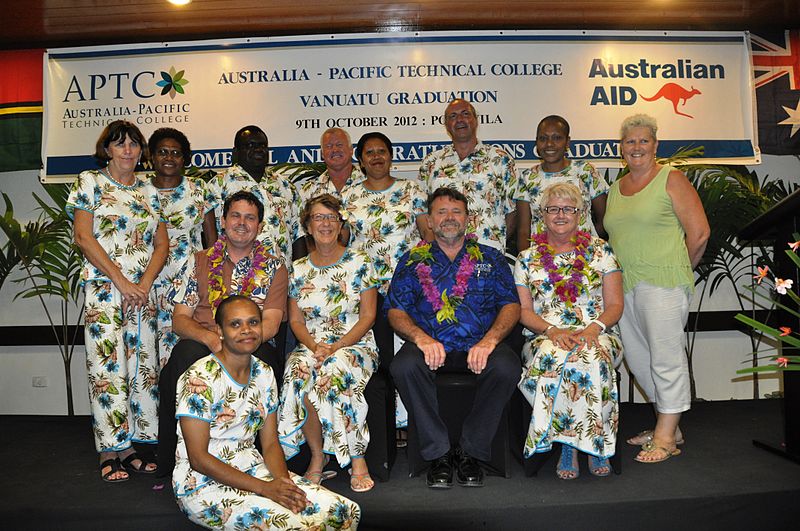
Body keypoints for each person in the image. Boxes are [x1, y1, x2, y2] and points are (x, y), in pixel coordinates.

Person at [174, 295, 360, 530]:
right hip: (202, 484)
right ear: (219, 330)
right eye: (235, 324)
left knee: (345, 511)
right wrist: (266, 489)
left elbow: (270, 443)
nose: (246, 330)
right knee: (301, 526)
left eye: (253, 322)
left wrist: (283, 485)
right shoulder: (198, 378)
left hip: (253, 468)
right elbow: (198, 459)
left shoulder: (263, 372)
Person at [387, 187, 521, 489]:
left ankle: (471, 452)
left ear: (468, 220)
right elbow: (395, 311)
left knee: (507, 367)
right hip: (429, 346)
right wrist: (421, 339)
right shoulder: (411, 261)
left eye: (456, 211)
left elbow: (511, 305)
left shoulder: (491, 258)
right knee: (403, 366)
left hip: (480, 346)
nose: (449, 218)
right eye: (441, 212)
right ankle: (439, 453)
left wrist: (489, 341)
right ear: (430, 222)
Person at [156, 191, 288, 478]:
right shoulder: (200, 261)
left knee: (266, 359)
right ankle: (174, 462)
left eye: (250, 218)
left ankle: (257, 459)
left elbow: (273, 323)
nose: (242, 223)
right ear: (224, 222)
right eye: (236, 216)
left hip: (252, 342)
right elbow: (180, 319)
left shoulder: (274, 266)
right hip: (206, 340)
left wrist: (237, 344)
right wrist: (212, 340)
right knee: (182, 356)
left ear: (260, 226)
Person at [604, 114, 710, 463]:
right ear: (621, 148)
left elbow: (699, 234)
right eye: (630, 141)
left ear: (655, 145)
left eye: (643, 140)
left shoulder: (671, 178)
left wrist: (679, 270)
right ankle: (671, 423)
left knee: (666, 358)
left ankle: (666, 435)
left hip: (663, 282)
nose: (636, 147)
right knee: (637, 359)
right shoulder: (617, 189)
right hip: (625, 286)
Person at [67, 120, 169, 482]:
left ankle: (130, 447)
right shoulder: (89, 182)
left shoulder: (149, 192)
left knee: (141, 370)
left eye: (134, 144)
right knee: (107, 372)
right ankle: (108, 451)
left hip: (141, 296)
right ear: (107, 149)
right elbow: (83, 236)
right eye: (120, 144)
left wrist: (141, 283)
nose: (128, 150)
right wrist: (122, 281)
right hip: (106, 293)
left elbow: (161, 244)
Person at [515, 182, 623, 479]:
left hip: (598, 330)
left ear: (581, 213)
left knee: (591, 355)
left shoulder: (601, 251)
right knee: (554, 356)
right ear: (542, 214)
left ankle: (593, 445)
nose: (560, 215)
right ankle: (569, 444)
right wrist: (551, 331)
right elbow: (523, 312)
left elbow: (615, 305)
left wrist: (594, 328)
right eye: (553, 209)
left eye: (568, 209)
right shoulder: (527, 258)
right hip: (543, 334)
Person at [278, 194, 379, 493]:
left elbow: (368, 316)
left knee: (335, 369)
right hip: (311, 344)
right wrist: (314, 347)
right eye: (318, 218)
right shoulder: (297, 268)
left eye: (331, 218)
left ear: (341, 224)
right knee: (297, 371)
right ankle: (318, 457)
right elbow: (296, 321)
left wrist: (335, 348)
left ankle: (357, 458)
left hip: (355, 344)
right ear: (307, 226)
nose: (325, 224)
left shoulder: (360, 261)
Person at [342, 131, 430, 440]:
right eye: (370, 153)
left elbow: (427, 237)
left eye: (382, 151)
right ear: (361, 160)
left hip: (407, 286)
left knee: (405, 355)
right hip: (366, 291)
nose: (377, 157)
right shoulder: (349, 196)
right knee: (380, 359)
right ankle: (383, 427)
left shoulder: (412, 190)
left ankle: (406, 424)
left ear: (391, 156)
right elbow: (342, 245)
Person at [147, 127, 216, 367]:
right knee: (148, 354)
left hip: (188, 285)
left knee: (184, 354)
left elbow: (212, 242)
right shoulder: (139, 193)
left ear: (184, 159)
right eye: (162, 152)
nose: (169, 158)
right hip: (148, 284)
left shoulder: (199, 190)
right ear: (151, 156)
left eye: (176, 153)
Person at [418, 99, 517, 253]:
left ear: (476, 120)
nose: (460, 120)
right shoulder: (431, 162)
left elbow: (512, 213)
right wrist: (436, 250)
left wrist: (495, 241)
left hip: (489, 253)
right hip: (443, 257)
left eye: (465, 114)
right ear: (446, 124)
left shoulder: (500, 160)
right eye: (453, 116)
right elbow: (424, 213)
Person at [515, 115, 610, 251]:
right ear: (536, 142)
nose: (549, 144)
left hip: (584, 257)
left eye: (557, 138)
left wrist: (590, 247)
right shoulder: (527, 177)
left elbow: (604, 221)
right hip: (542, 260)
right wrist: (525, 264)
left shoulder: (586, 171)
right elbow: (523, 231)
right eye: (543, 138)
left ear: (567, 142)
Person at [208, 125, 299, 264]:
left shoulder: (285, 186)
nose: (258, 149)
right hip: (234, 275)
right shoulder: (217, 185)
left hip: (282, 274)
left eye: (262, 145)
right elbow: (209, 235)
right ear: (235, 152)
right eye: (250, 145)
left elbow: (299, 235)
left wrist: (298, 273)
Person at [299, 128, 363, 204]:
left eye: (339, 145)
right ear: (322, 154)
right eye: (329, 146)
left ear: (351, 150)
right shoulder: (309, 191)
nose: (335, 150)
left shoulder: (370, 182)